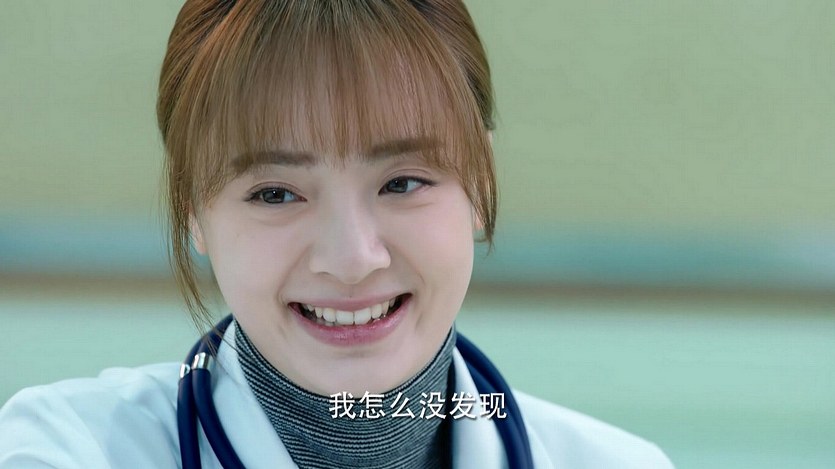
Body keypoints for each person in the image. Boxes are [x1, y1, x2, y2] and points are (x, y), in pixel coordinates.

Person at [0, 1, 674, 467]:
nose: (352, 259)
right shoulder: (67, 449)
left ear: (479, 180)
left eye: (402, 182)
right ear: (193, 210)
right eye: (275, 193)